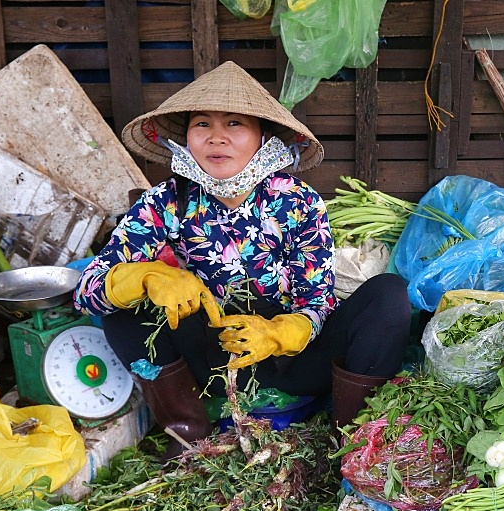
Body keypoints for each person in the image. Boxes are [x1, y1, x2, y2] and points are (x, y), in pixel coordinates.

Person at [73, 61, 411, 459]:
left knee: (389, 295)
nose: (217, 139)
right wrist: (146, 276)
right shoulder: (166, 201)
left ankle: (354, 447)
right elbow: (85, 292)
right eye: (202, 125)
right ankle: (188, 437)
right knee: (120, 307)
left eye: (234, 124)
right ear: (186, 138)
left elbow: (317, 300)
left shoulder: (298, 202)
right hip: (214, 361)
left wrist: (281, 333)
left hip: (294, 364)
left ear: (262, 138)